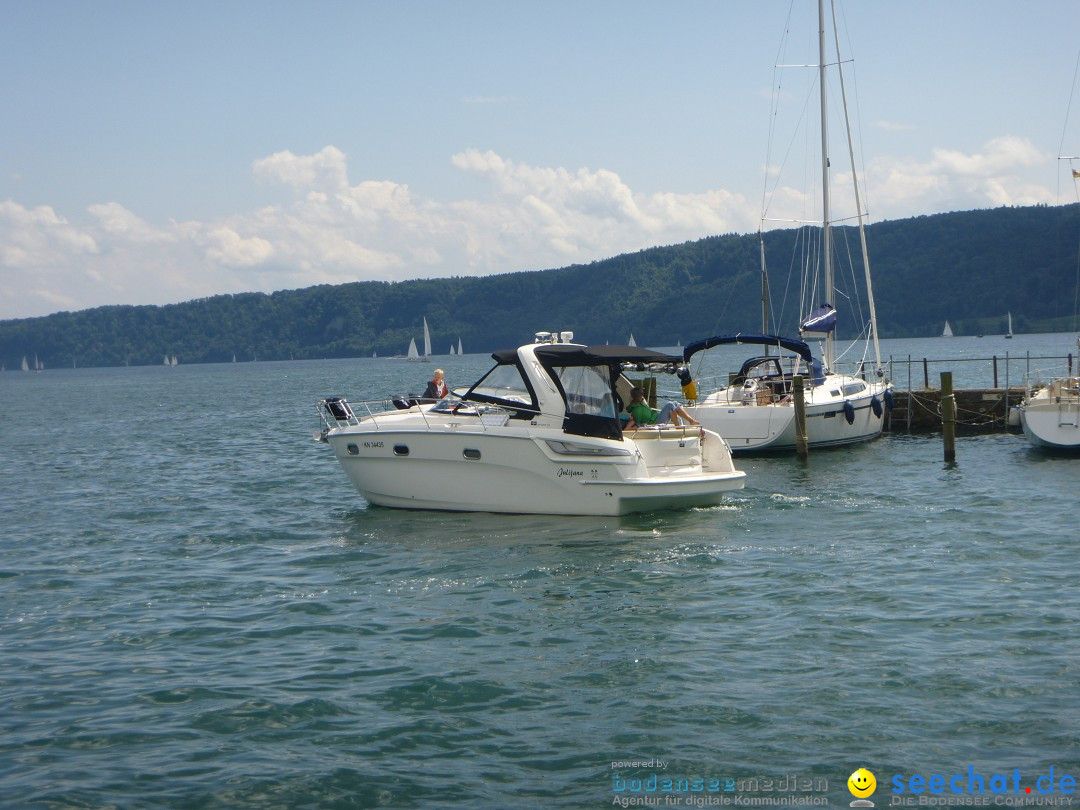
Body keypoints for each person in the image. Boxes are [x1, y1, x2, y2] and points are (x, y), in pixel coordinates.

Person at [624, 386, 698, 430]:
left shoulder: (641, 404)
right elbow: (640, 424)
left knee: (675, 403)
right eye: (641, 395)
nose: (642, 396)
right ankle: (677, 427)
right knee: (670, 405)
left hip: (656, 418)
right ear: (638, 396)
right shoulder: (636, 410)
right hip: (655, 423)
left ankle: (691, 420)